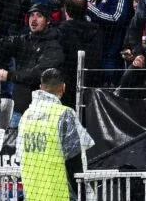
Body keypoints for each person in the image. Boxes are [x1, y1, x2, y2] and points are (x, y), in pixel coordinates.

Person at [19, 68, 92, 201]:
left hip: (32, 194)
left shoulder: (26, 116)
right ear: (63, 88)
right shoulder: (64, 114)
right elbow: (75, 163)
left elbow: (20, 157)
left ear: (41, 87)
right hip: (59, 194)